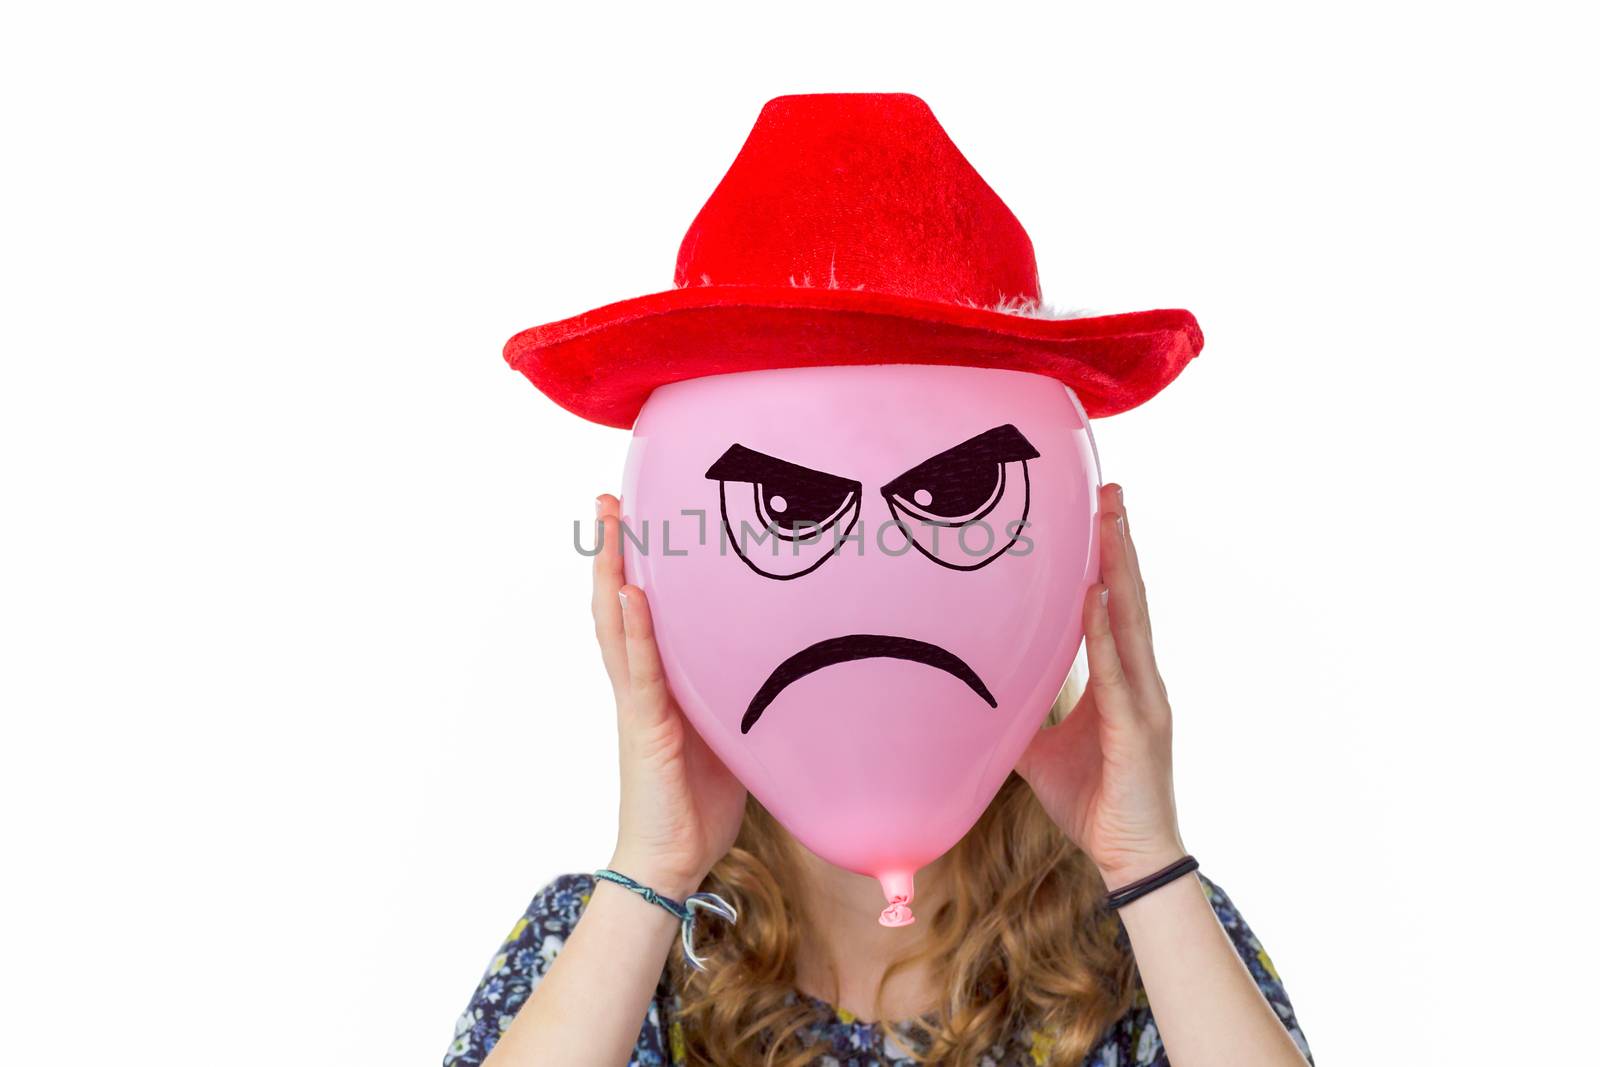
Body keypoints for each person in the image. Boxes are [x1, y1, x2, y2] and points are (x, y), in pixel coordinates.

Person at [442, 483, 1313, 1067]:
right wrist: (653, 869)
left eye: (948, 506)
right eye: (792, 512)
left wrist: (1145, 858)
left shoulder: (1148, 943)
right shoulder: (607, 941)